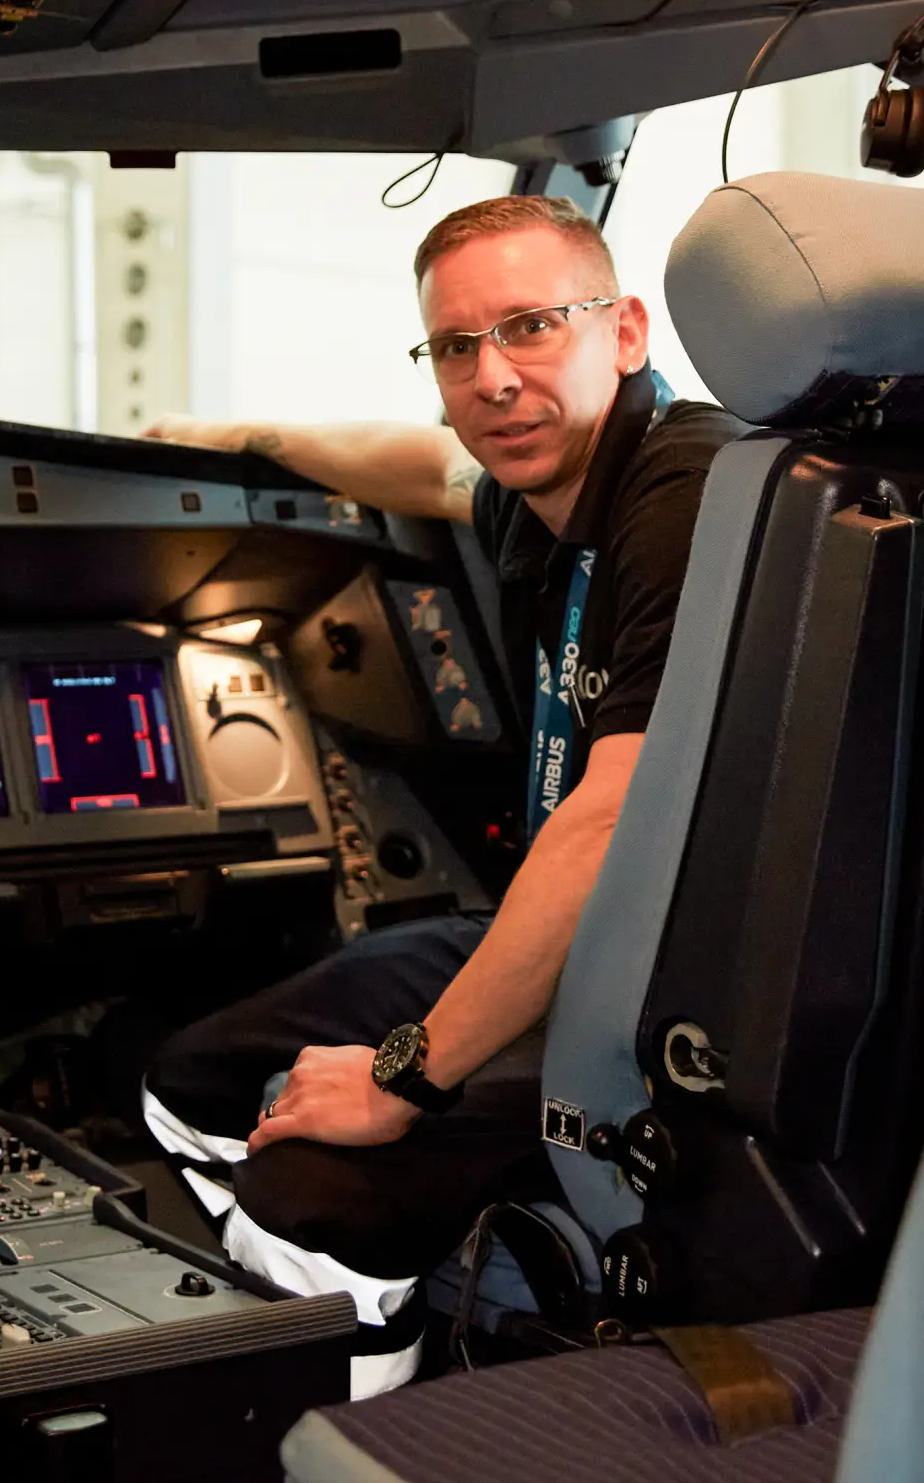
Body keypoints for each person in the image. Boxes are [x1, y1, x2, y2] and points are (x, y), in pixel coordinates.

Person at [140, 195, 744, 1394]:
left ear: (625, 331)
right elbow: (425, 465)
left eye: (530, 326)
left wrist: (403, 1077)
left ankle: (374, 1393)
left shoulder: (687, 494)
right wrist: (247, 433)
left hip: (679, 993)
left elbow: (611, 819)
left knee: (308, 1203)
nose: (494, 378)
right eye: (456, 347)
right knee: (184, 1080)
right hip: (587, 943)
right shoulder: (556, 486)